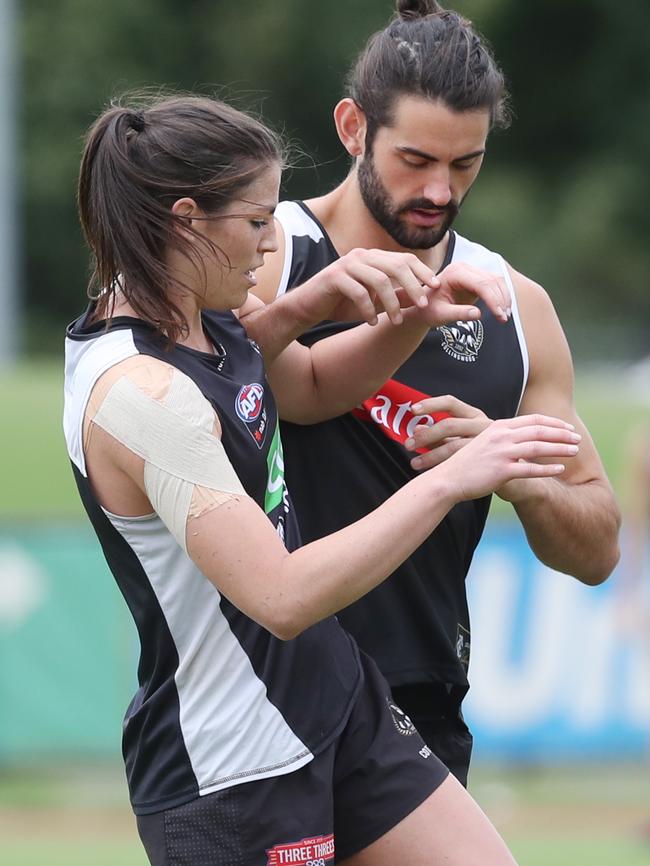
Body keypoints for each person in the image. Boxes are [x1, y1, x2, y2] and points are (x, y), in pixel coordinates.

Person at [62, 92, 582, 866]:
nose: (269, 243)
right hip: (236, 764)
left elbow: (292, 386)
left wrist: (387, 311)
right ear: (184, 219)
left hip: (338, 697)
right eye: (255, 222)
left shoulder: (196, 324)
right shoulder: (140, 395)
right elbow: (281, 597)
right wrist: (451, 479)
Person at [253, 0, 621, 786]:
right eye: (415, 159)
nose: (439, 190)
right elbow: (164, 378)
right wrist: (300, 309)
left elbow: (598, 544)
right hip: (261, 686)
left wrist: (517, 474)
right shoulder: (267, 254)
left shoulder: (515, 304)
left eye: (465, 164)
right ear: (354, 128)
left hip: (421, 702)